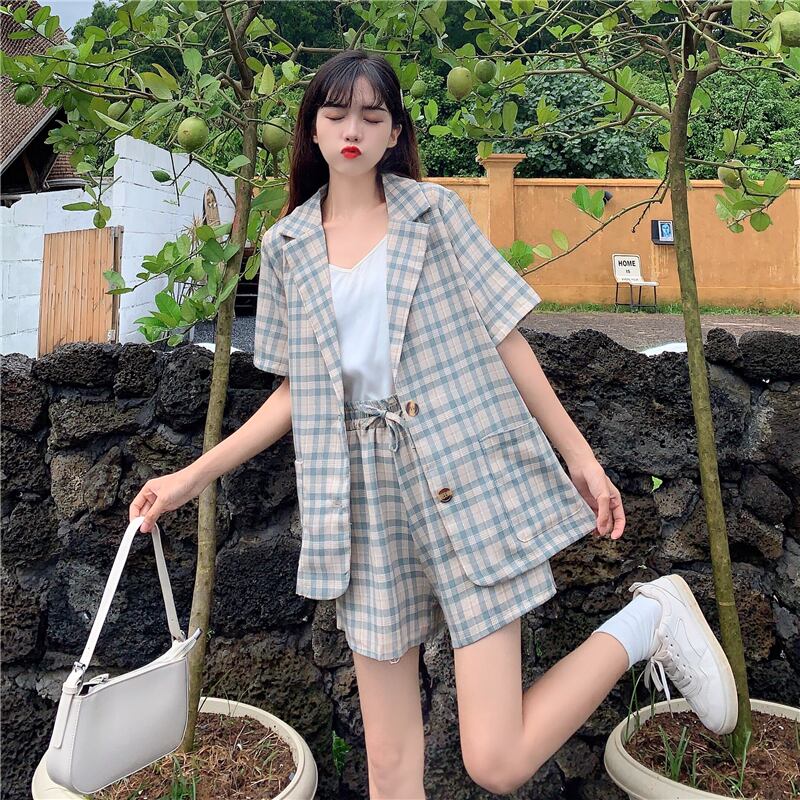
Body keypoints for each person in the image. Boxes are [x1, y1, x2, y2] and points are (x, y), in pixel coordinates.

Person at [130, 50, 738, 800]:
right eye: (335, 114)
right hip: (363, 501)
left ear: (394, 134)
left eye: (371, 116)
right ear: (312, 129)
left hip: (463, 472)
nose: (352, 130)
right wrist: (191, 477)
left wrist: (579, 456)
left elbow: (505, 335)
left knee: (497, 761)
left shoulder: (434, 213)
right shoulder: (286, 247)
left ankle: (646, 623)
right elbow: (297, 393)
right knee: (389, 764)